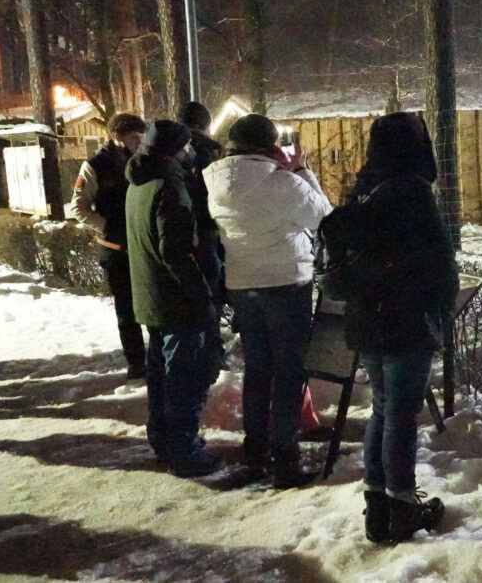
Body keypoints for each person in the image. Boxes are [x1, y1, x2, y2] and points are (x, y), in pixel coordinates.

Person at [345, 112, 458, 543]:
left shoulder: (364, 186)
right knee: (401, 416)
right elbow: (440, 262)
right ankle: (403, 507)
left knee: (382, 408)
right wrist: (441, 309)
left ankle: (377, 507)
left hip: (367, 316)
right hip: (406, 319)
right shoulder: (413, 190)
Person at [203, 114, 331, 488]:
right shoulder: (281, 181)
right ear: (270, 145)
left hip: (243, 284)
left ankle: (256, 449)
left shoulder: (215, 180)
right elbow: (323, 217)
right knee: (289, 372)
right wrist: (301, 169)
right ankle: (285, 456)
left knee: (258, 370)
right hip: (286, 283)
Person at [124, 120, 220, 477]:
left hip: (151, 297)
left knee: (161, 377)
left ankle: (163, 441)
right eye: (186, 146)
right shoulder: (169, 186)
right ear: (175, 150)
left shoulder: (138, 181)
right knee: (184, 380)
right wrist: (202, 298)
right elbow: (175, 252)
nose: (190, 152)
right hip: (176, 302)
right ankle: (185, 453)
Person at [69, 113, 149, 379]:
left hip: (144, 246)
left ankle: (157, 360)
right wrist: (108, 227)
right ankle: (136, 362)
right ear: (117, 137)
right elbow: (79, 207)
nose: (139, 142)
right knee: (126, 309)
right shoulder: (95, 166)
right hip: (117, 250)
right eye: (134, 137)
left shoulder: (146, 161)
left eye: (141, 137)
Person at [177, 101, 227, 370]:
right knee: (210, 295)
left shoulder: (170, 152)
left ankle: (193, 351)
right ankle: (211, 352)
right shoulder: (207, 153)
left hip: (179, 234)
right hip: (206, 232)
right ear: (205, 125)